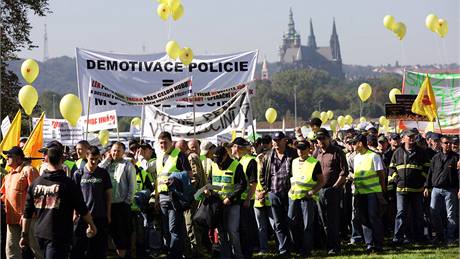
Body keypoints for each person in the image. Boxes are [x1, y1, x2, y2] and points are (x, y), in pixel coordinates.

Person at [19, 147, 97, 259]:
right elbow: (82, 208)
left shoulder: (36, 183)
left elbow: (27, 213)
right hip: (60, 234)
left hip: (40, 233)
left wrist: (24, 235)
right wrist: (92, 224)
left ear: (46, 159)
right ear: (62, 160)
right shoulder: (67, 184)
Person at [259, 131, 297, 257]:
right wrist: (266, 189)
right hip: (274, 193)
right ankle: (283, 250)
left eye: (278, 140)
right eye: (274, 140)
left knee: (291, 221)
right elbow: (262, 174)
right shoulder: (268, 155)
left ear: (284, 140)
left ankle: (294, 246)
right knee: (278, 224)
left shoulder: (293, 154)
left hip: (290, 193)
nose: (276, 143)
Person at [389, 129, 430, 245]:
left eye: (413, 136)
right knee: (400, 213)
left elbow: (427, 168)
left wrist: (420, 180)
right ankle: (398, 238)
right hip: (401, 190)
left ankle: (419, 237)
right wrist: (397, 179)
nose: (411, 138)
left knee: (418, 214)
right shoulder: (397, 152)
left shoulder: (421, 152)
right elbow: (391, 168)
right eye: (409, 136)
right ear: (403, 138)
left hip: (417, 190)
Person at [0, 147, 42, 259]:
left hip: (29, 218)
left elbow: (37, 194)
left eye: (10, 156)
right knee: (11, 250)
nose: (7, 158)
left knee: (37, 249)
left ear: (19, 158)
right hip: (12, 218)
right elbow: (4, 196)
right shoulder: (8, 175)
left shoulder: (29, 170)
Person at [72, 146, 112, 259]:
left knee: (98, 250)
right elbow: (75, 197)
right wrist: (75, 213)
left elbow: (108, 196)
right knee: (79, 249)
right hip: (83, 217)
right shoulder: (78, 174)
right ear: (86, 157)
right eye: (91, 159)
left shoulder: (103, 173)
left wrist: (108, 214)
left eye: (96, 159)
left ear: (99, 157)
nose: (94, 161)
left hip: (100, 216)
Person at [156, 132, 191, 258]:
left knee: (174, 228)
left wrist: (173, 178)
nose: (163, 145)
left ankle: (175, 254)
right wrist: (156, 198)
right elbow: (157, 178)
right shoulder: (159, 157)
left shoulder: (179, 155)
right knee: (166, 229)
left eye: (165, 142)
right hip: (162, 197)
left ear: (171, 142)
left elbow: (189, 174)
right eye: (160, 143)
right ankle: (170, 251)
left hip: (175, 196)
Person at [314, 128, 349, 255]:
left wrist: (335, 188)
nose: (321, 141)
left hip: (333, 190)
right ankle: (327, 246)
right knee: (323, 220)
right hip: (320, 191)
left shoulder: (337, 152)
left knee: (332, 221)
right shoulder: (317, 153)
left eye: (323, 138)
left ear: (328, 138)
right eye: (319, 139)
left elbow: (344, 172)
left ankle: (334, 247)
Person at [207, 146, 246, 259]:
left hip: (232, 204)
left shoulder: (236, 166)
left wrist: (230, 197)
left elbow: (241, 185)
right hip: (218, 204)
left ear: (225, 155)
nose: (217, 162)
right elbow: (210, 181)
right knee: (221, 233)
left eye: (219, 159)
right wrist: (208, 189)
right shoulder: (214, 165)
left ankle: (238, 256)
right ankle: (225, 256)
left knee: (233, 231)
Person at [99, 142, 136, 258]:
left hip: (121, 205)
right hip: (107, 205)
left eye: (118, 150)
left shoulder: (127, 165)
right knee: (108, 232)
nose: (115, 153)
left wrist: (127, 202)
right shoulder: (108, 164)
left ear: (123, 152)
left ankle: (122, 256)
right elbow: (97, 170)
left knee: (121, 234)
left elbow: (132, 185)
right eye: (114, 150)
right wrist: (106, 160)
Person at [288, 140, 324, 257]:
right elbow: (292, 178)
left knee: (307, 225)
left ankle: (306, 250)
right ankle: (297, 247)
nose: (300, 151)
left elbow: (321, 181)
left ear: (309, 149)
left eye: (303, 148)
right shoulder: (293, 161)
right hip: (294, 197)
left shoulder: (314, 163)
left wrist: (313, 191)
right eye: (298, 148)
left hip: (307, 199)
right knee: (292, 223)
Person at [351, 134, 386, 253]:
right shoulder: (356, 158)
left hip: (372, 193)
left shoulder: (374, 156)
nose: (352, 145)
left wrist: (382, 191)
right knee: (364, 219)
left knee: (374, 218)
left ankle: (378, 244)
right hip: (360, 193)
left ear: (360, 143)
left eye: (354, 143)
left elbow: (381, 175)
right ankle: (369, 244)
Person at [424, 136, 460, 245]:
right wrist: (426, 186)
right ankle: (440, 235)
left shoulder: (456, 158)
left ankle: (450, 238)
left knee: (451, 215)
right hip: (436, 189)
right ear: (441, 143)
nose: (448, 145)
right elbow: (430, 173)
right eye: (446, 143)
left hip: (451, 190)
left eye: (449, 143)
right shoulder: (435, 157)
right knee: (433, 212)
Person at [231, 137, 258, 259]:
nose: (231, 148)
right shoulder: (236, 160)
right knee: (237, 229)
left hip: (245, 201)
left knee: (246, 229)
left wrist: (248, 199)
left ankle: (247, 254)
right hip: (236, 200)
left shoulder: (250, 161)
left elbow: (253, 183)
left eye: (233, 146)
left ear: (237, 147)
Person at [185, 139, 207, 257]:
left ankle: (196, 252)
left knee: (191, 225)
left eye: (195, 146)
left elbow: (195, 177)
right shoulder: (196, 156)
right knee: (195, 225)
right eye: (192, 147)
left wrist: (187, 192)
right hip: (198, 195)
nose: (194, 149)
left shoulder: (191, 157)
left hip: (194, 196)